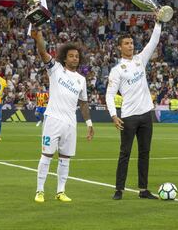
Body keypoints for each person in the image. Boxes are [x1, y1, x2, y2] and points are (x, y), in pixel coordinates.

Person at [31, 29, 94, 203]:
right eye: (71, 56)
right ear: (64, 58)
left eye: (77, 56)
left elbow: (83, 102)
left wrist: (89, 123)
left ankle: (61, 191)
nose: (75, 58)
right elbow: (42, 51)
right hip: (53, 119)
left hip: (70, 123)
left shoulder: (81, 79)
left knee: (65, 158)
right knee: (47, 156)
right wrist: (39, 36)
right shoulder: (55, 69)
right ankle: (40, 191)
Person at [106, 16, 162, 200]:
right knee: (125, 153)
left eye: (131, 43)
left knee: (145, 153)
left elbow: (153, 41)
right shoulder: (117, 70)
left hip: (146, 114)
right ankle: (118, 189)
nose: (131, 46)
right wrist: (114, 115)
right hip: (128, 116)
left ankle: (143, 190)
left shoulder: (140, 59)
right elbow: (109, 95)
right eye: (127, 43)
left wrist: (159, 22)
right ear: (120, 47)